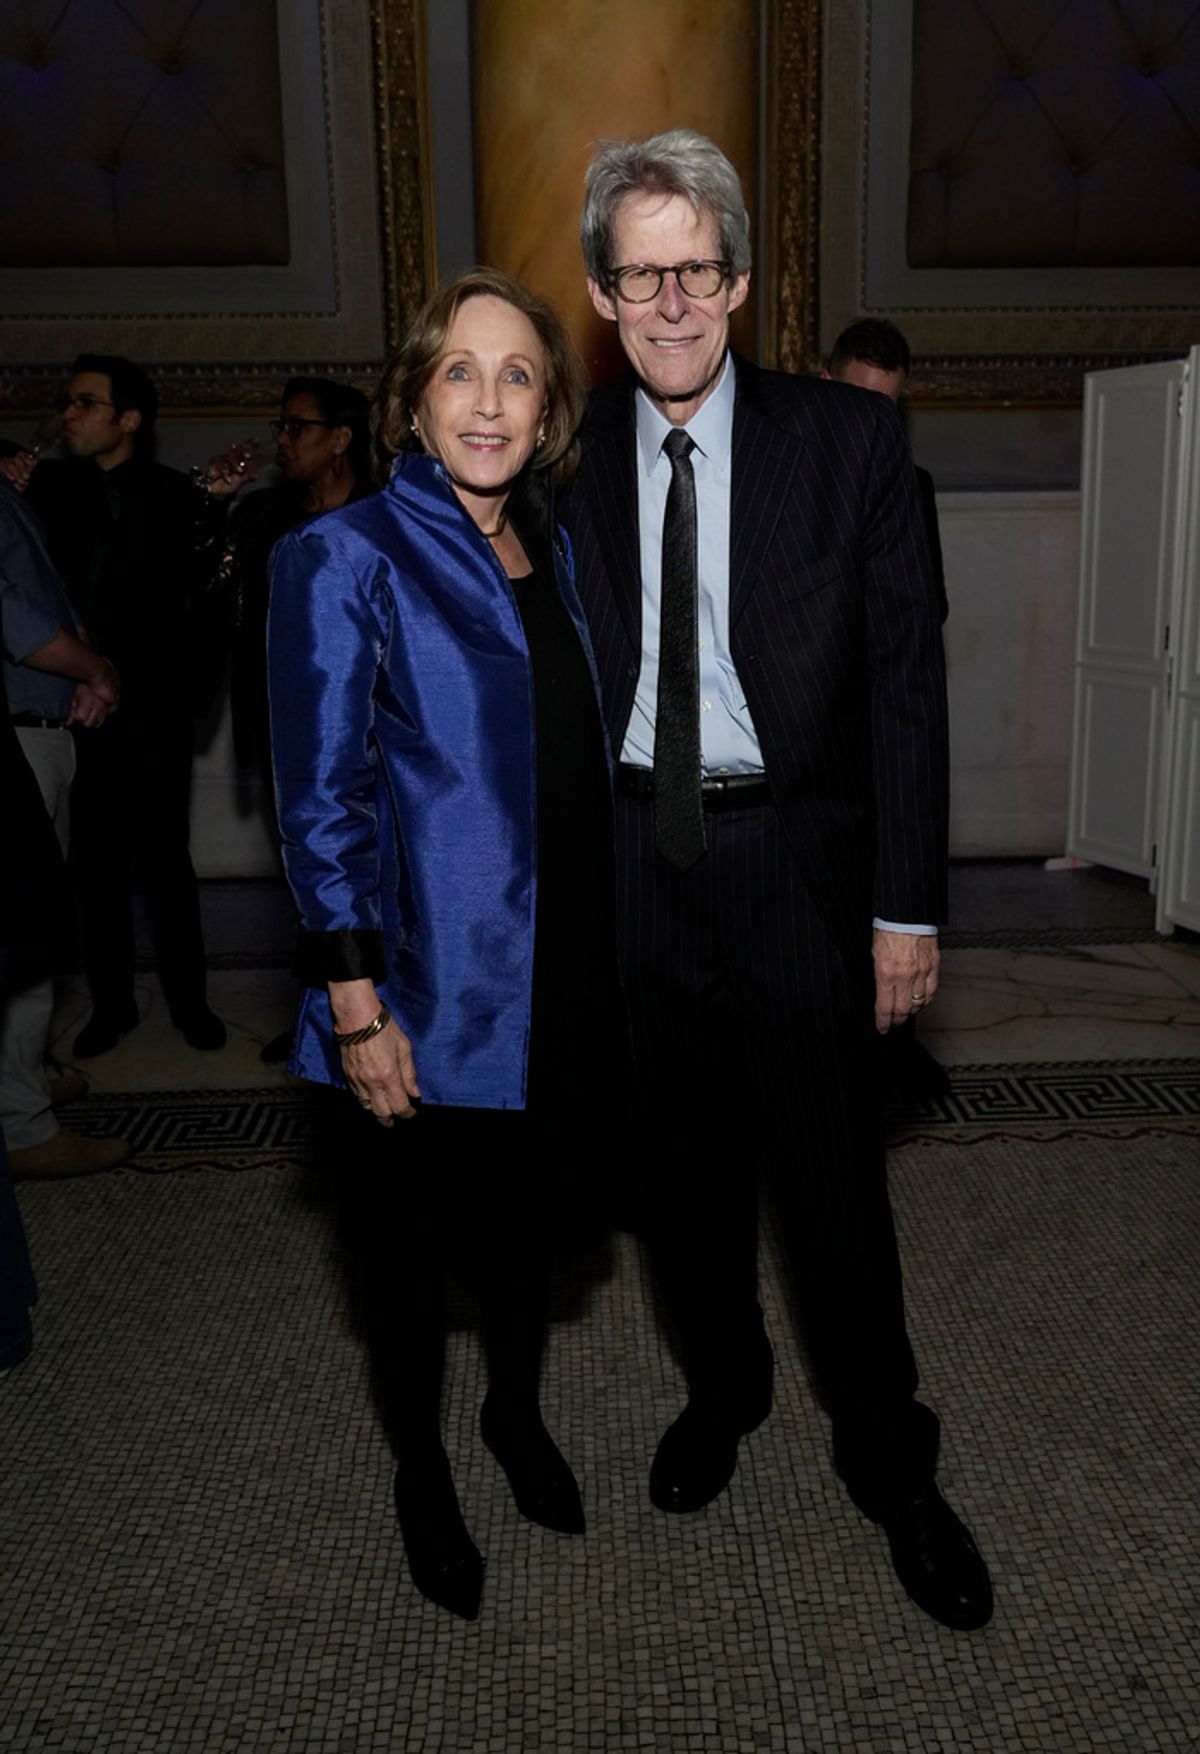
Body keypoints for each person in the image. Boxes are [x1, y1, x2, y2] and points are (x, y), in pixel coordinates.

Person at [565, 130, 992, 1630]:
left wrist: (904, 905)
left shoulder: (848, 444)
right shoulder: (563, 460)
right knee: (676, 1185)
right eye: (639, 273)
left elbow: (903, 691)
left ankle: (894, 1465)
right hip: (633, 866)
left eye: (696, 268)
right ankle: (726, 1389)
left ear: (739, 282)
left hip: (796, 873)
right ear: (604, 295)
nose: (670, 301)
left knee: (831, 1197)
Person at [267, 268, 614, 1622]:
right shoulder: (343, 554)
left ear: (549, 407)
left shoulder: (554, 543)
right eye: (459, 371)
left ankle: (515, 1419)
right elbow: (318, 796)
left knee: (528, 1238)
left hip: (556, 978)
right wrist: (356, 1000)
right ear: (413, 399)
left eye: (518, 373)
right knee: (407, 1259)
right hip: (418, 990)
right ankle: (423, 1468)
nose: (488, 400)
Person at [17, 355, 224, 1057]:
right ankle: (110, 1007)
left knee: (167, 861)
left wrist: (179, 696)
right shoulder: (44, 490)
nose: (68, 414)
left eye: (86, 403)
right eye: (67, 402)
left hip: (153, 712)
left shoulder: (175, 497)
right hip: (74, 709)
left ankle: (191, 1005)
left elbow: (196, 610)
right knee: (92, 869)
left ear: (127, 419)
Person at [198, 378, 375, 1062]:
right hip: (283, 728)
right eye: (281, 426)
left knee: (368, 878)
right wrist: (214, 507)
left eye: (297, 427)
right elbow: (208, 593)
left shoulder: (383, 515)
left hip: (368, 735)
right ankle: (320, 1016)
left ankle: (378, 1011)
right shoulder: (265, 515)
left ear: (340, 439)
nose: (283, 440)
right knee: (307, 882)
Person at [823, 317, 952, 1100]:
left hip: (882, 729)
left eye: (887, 408)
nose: (872, 423)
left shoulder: (913, 486)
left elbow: (925, 609)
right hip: (809, 737)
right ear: (825, 379)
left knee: (892, 906)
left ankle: (890, 1051)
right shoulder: (779, 469)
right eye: (859, 401)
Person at [0, 476, 129, 1179]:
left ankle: (20, 1084)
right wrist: (96, 670)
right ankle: (21, 1126)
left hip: (40, 729)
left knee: (34, 933)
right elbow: (13, 615)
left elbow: (43, 588)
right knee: (23, 937)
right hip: (17, 739)